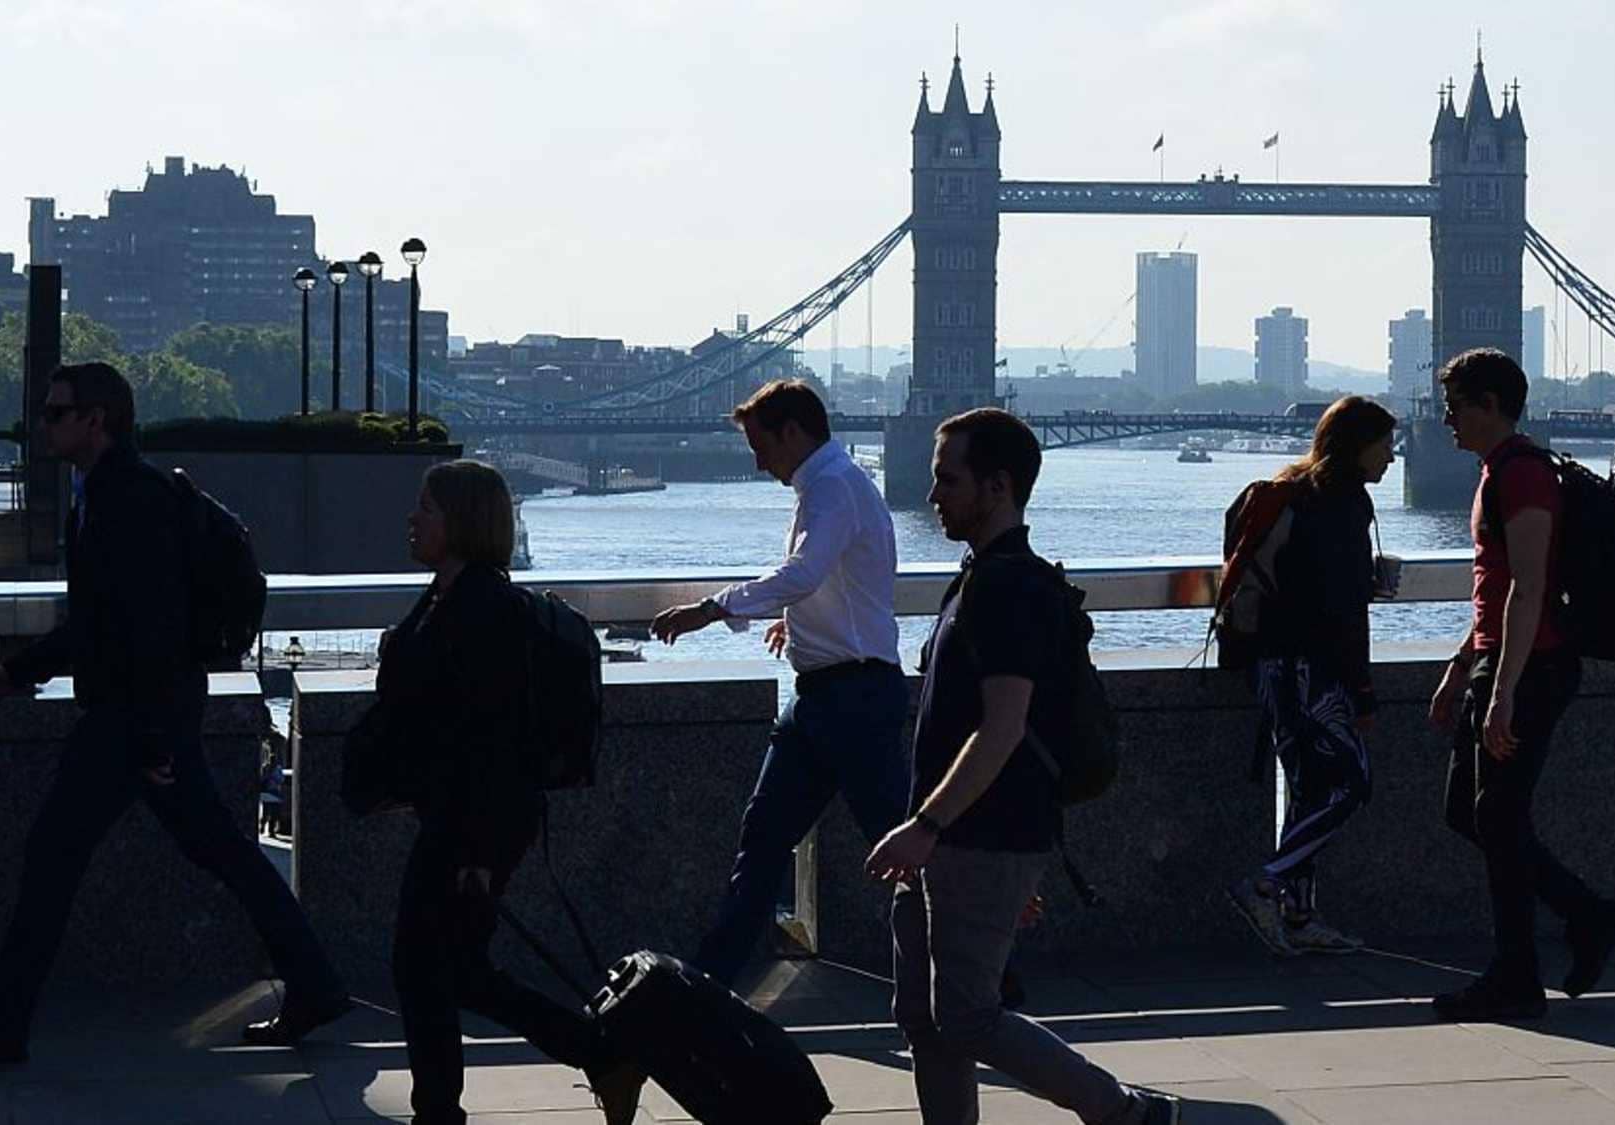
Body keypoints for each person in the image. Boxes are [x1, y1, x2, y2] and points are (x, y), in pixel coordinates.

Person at [0, 362, 348, 1063]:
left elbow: (141, 627)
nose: (43, 424)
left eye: (56, 413)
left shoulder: (126, 501)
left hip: (132, 719)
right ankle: (316, 982)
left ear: (97, 420)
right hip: (145, 714)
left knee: (57, 858)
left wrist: (143, 736)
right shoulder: (112, 493)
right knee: (220, 852)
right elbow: (107, 622)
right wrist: (24, 671)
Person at [866, 409, 1178, 1125]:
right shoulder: (978, 577)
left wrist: (926, 826)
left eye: (948, 479)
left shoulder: (1009, 589)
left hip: (978, 834)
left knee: (966, 1015)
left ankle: (1125, 1113)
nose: (931, 493)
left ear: (998, 485)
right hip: (957, 838)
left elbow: (1002, 727)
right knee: (922, 1015)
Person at [379, 459, 642, 1125]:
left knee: (425, 965)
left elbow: (494, 739)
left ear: (462, 522)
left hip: (477, 822)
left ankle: (448, 1108)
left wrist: (476, 853)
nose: (412, 518)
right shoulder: (449, 596)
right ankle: (598, 1055)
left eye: (427, 508)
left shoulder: (484, 612)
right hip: (464, 814)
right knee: (452, 968)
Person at [650, 380, 908, 988]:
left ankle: (985, 977)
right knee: (765, 841)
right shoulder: (834, 483)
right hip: (827, 694)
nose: (758, 462)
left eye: (761, 445)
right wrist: (798, 623)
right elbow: (839, 580)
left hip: (851, 700)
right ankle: (708, 985)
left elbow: (803, 572)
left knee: (897, 849)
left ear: (793, 432)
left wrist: (712, 608)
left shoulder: (832, 486)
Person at [1428, 349, 1615, 1022]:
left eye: (1455, 407)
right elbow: (1493, 591)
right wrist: (1462, 665)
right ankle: (1588, 915)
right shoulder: (1498, 471)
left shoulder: (1524, 475)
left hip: (1532, 666)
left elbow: (1529, 588)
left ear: (1490, 405)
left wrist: (1503, 692)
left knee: (1497, 816)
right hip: (1500, 661)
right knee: (1471, 812)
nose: (1446, 420)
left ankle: (1517, 975)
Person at [1225, 396, 1396, 956]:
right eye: (1384, 445)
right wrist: (1363, 695)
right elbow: (1343, 612)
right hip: (1312, 668)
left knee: (1308, 788)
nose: (1392, 457)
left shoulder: (1292, 489)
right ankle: (1265, 883)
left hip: (1270, 664)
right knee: (1351, 783)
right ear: (1357, 446)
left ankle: (1299, 917)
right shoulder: (1342, 505)